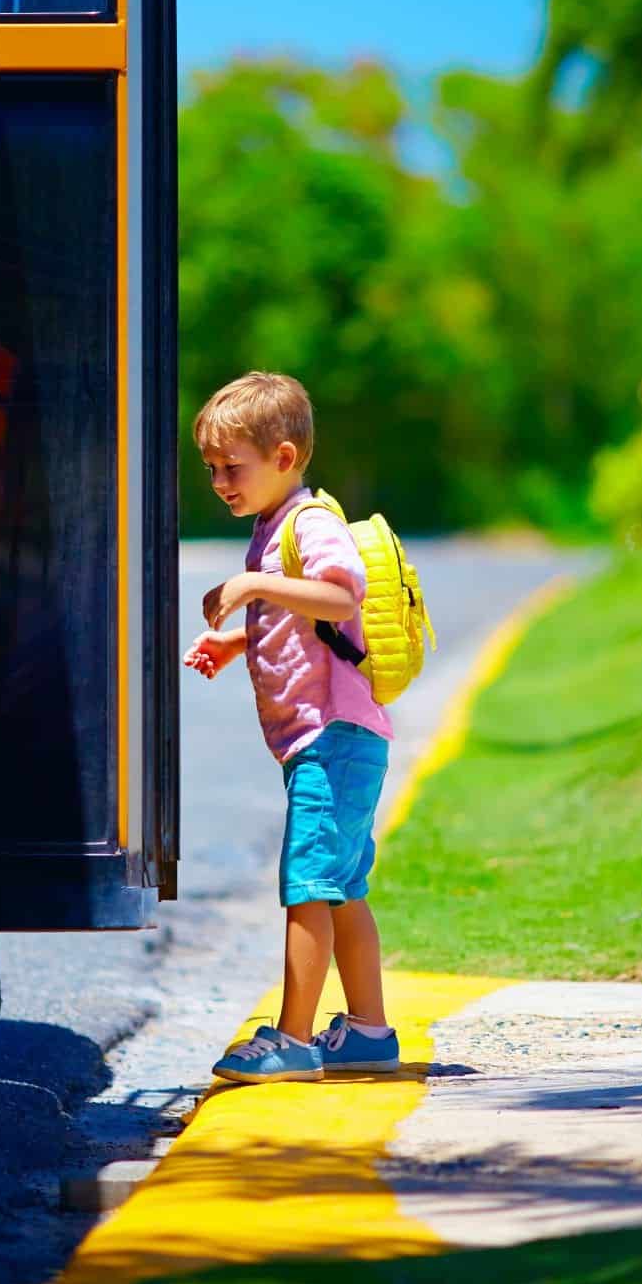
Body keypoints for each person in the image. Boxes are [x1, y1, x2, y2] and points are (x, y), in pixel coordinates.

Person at [183, 370, 399, 1084]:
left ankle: (294, 1039)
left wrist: (251, 585)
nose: (219, 481)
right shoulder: (276, 526)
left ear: (283, 457)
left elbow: (340, 598)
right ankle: (368, 1031)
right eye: (211, 469)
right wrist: (237, 641)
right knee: (342, 886)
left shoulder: (310, 523)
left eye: (231, 467)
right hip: (334, 737)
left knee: (308, 883)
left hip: (334, 736)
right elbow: (298, 622)